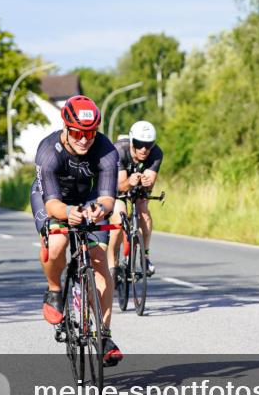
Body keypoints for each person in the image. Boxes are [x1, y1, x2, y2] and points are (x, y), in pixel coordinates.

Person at [30, 95, 123, 366]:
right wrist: (68, 214)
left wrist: (99, 211)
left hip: (88, 198)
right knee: (57, 243)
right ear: (66, 129)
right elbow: (53, 203)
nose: (84, 139)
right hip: (52, 197)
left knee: (98, 262)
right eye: (78, 133)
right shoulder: (48, 151)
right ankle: (55, 290)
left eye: (90, 133)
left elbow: (107, 198)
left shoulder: (106, 149)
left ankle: (104, 336)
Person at [107, 120, 164, 279]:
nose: (144, 149)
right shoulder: (119, 150)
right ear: (132, 141)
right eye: (139, 144)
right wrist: (130, 182)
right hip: (117, 187)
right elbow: (120, 186)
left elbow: (150, 183)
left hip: (136, 185)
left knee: (144, 212)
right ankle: (112, 264)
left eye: (148, 144)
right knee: (119, 217)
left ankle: (144, 257)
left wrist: (146, 184)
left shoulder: (156, 153)